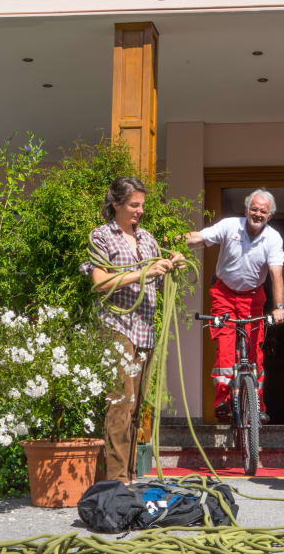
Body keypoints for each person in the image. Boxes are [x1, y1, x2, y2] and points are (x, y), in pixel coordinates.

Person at [81, 177, 183, 483]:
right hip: (117, 327)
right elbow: (100, 282)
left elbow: (156, 279)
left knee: (136, 406)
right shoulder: (101, 236)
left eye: (142, 205)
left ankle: (130, 476)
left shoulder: (147, 239)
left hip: (144, 331)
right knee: (120, 403)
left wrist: (170, 266)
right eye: (133, 205)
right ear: (116, 204)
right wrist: (142, 272)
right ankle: (116, 481)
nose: (139, 211)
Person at [185, 188, 284, 423]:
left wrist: (279, 306)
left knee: (254, 352)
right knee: (225, 346)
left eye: (263, 211)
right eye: (254, 209)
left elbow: (276, 275)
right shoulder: (230, 226)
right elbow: (200, 237)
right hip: (224, 293)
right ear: (246, 209)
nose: (258, 214)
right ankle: (222, 401)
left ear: (270, 215)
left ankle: (257, 405)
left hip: (253, 298)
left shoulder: (273, 238)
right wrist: (175, 240)